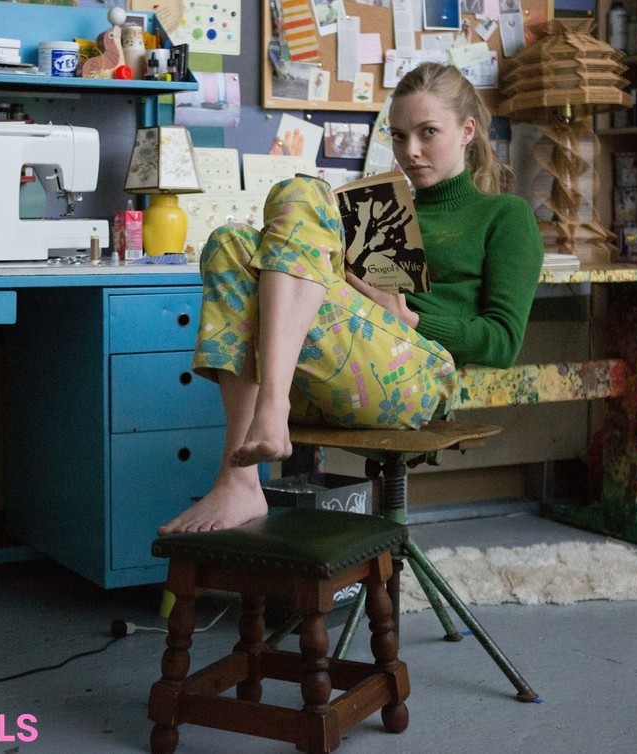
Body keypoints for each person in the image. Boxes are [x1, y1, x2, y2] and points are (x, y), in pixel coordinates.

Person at [159, 62, 544, 535]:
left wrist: (408, 318)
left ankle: (268, 414)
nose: (411, 151)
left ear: (467, 131)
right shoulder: (381, 209)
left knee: (303, 191)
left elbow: (502, 342)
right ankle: (242, 477)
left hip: (417, 380)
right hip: (332, 375)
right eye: (399, 136)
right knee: (230, 242)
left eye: (428, 132)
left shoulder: (505, 214)